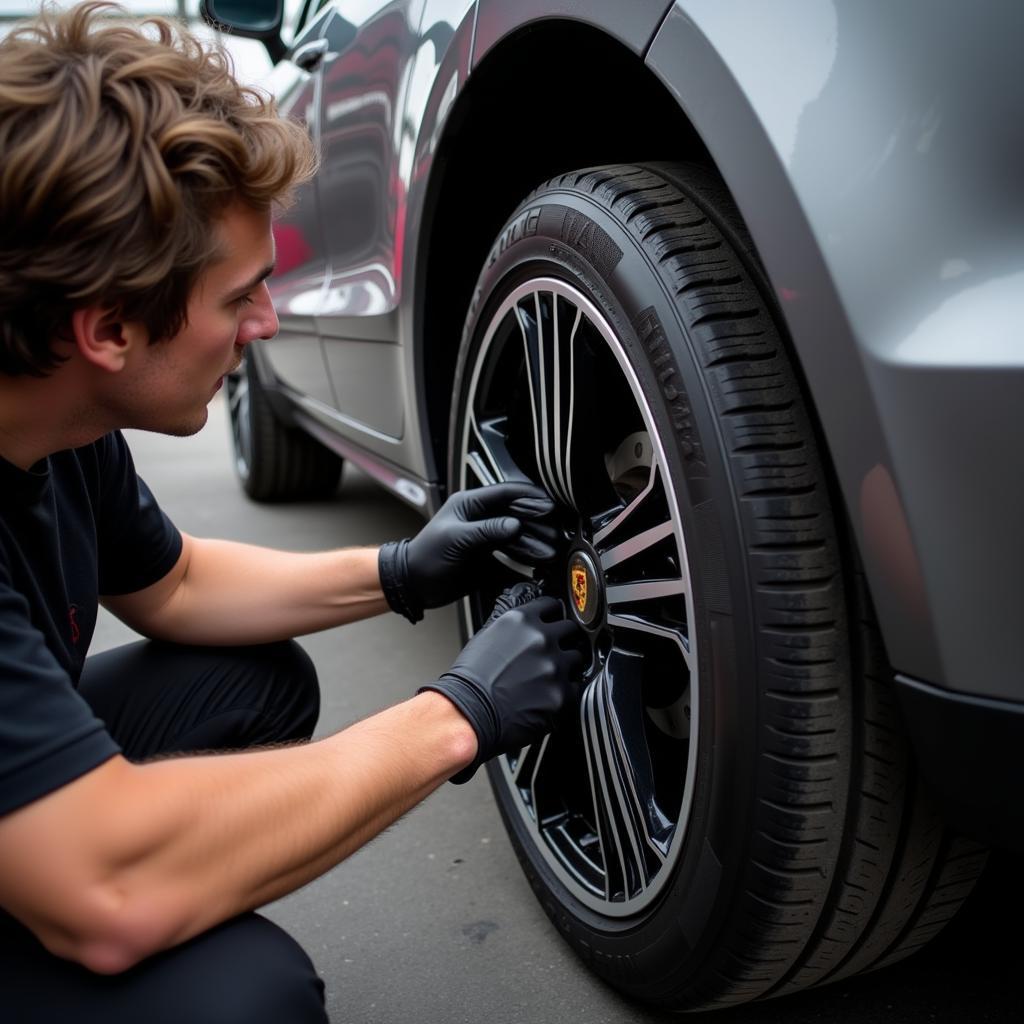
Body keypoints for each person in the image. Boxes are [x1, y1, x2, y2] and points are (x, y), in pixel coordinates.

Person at [0, 4, 584, 1020]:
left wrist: (406, 568)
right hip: (83, 870)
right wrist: (459, 715)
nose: (267, 322)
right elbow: (108, 887)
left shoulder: (56, 420)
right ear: (108, 329)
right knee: (246, 996)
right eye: (240, 298)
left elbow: (175, 585)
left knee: (252, 681)